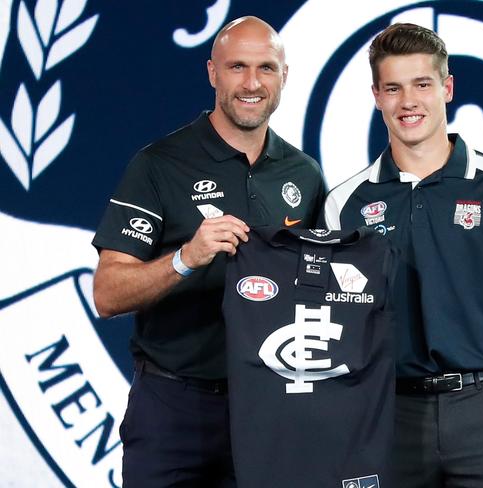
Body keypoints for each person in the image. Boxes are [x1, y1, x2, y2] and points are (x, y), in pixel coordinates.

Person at [321, 23, 483, 488]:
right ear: (377, 96)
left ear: (447, 88)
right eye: (393, 88)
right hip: (390, 416)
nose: (408, 102)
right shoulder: (347, 203)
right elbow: (339, 325)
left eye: (422, 84)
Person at [92, 16, 324, 487]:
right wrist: (186, 259)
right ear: (212, 73)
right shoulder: (159, 165)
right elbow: (107, 293)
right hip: (174, 406)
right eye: (237, 67)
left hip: (270, 406)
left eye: (266, 68)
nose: (252, 83)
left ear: (284, 76)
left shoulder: (304, 173)